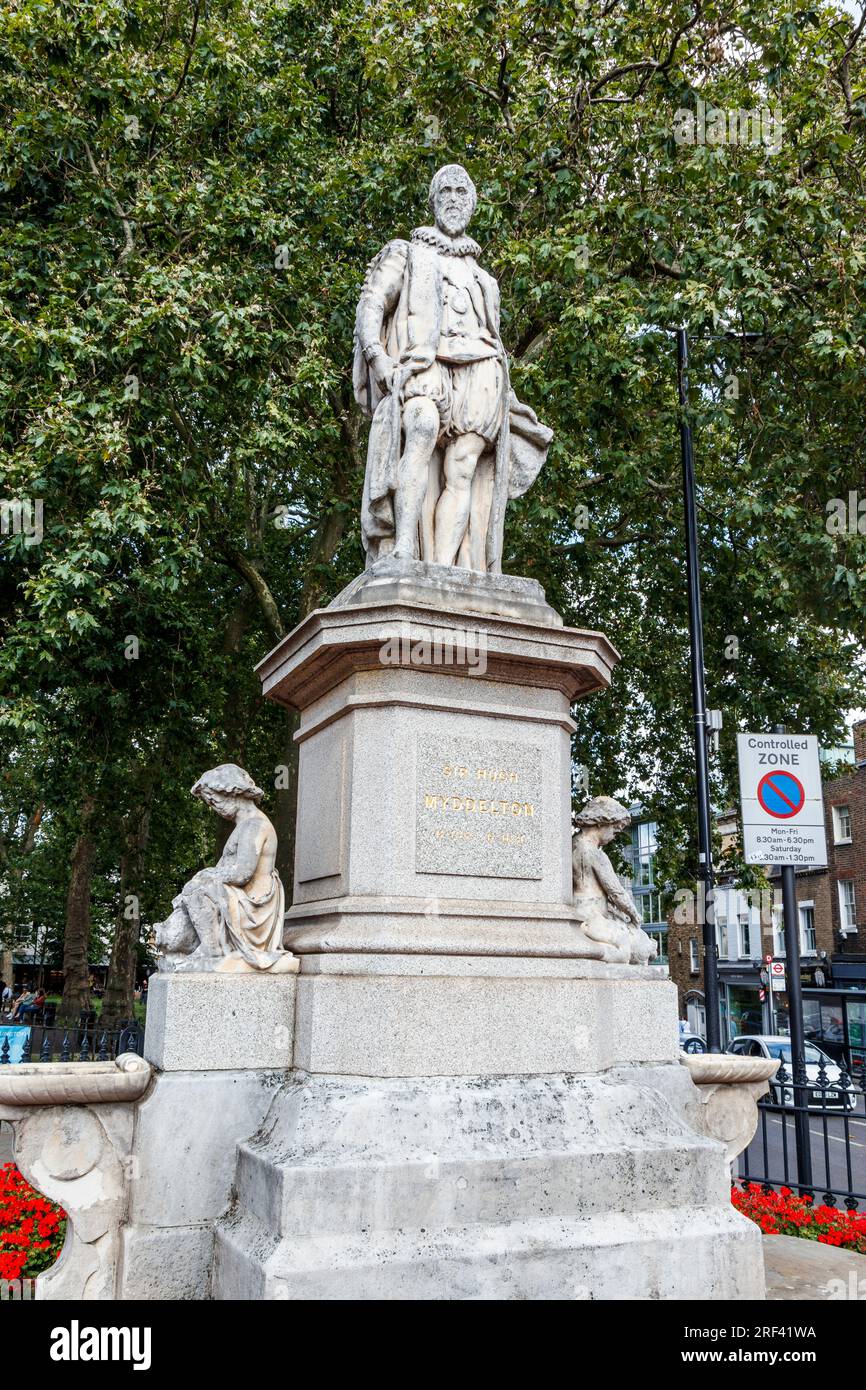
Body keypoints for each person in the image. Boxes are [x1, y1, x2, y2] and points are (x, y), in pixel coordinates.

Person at [353, 163, 552, 572]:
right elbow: (372, 302)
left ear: (474, 204)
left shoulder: (484, 278)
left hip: (480, 374)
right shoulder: (408, 253)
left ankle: (442, 573)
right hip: (427, 365)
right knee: (422, 427)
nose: (455, 199)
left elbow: (492, 336)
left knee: (462, 469)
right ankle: (405, 547)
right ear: (433, 201)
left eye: (463, 192)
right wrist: (379, 359)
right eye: (447, 191)